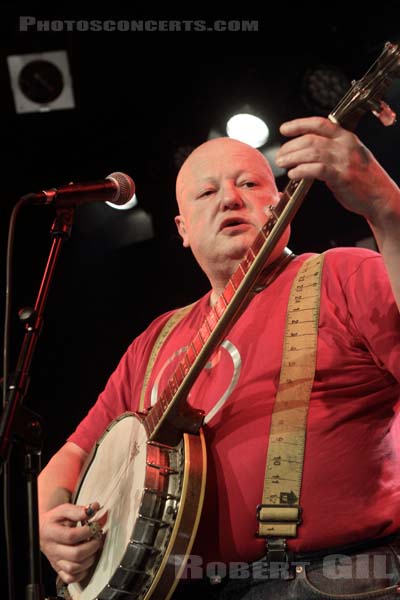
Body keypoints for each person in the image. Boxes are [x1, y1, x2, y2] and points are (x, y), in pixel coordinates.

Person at [38, 116, 400, 600]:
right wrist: (47, 525)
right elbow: (73, 456)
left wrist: (385, 206)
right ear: (183, 229)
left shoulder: (342, 276)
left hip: (331, 578)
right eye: (206, 193)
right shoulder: (157, 339)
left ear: (281, 205)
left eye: (249, 183)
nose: (230, 198)